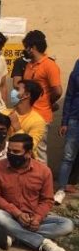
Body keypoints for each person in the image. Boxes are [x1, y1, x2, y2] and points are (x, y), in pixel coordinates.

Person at [0, 134, 74, 251]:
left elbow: (47, 200)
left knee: (67, 224)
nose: (10, 154)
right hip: (9, 215)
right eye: (9, 150)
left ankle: (14, 235)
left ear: (28, 153)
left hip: (33, 218)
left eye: (16, 151)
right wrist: (18, 214)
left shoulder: (43, 171)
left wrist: (37, 218)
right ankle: (43, 243)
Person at [22, 30, 62, 125]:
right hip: (26, 116)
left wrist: (47, 101)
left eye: (26, 47)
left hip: (41, 117)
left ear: (33, 47)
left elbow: (58, 91)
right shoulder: (29, 65)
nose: (25, 50)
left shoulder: (50, 65)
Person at [55, 59, 79, 204]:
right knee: (68, 157)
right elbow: (69, 96)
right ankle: (60, 190)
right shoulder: (78, 66)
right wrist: (64, 122)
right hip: (75, 119)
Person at [4, 80, 46, 159]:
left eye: (17, 89)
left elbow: (31, 146)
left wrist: (17, 127)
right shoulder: (4, 113)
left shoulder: (38, 121)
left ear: (26, 95)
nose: (13, 92)